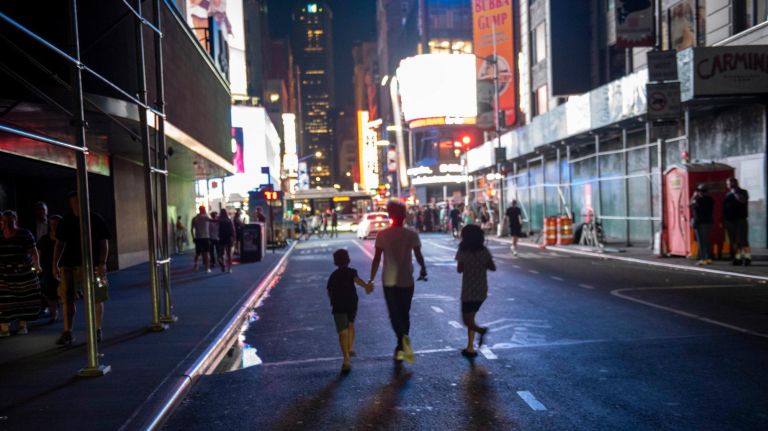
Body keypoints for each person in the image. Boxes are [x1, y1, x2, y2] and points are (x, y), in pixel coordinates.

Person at [369, 201, 427, 365]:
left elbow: (377, 258)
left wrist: (371, 278)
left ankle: (401, 342)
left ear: (389, 215)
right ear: (404, 215)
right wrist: (423, 269)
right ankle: (402, 344)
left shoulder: (382, 234)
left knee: (394, 314)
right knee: (404, 313)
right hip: (407, 279)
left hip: (389, 280)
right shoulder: (411, 234)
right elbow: (418, 255)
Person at [53, 192, 111, 345]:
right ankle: (67, 331)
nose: (78, 205)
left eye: (80, 202)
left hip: (93, 265)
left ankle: (98, 329)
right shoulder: (66, 221)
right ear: (71, 204)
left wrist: (102, 262)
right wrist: (55, 265)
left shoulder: (95, 219)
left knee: (98, 296)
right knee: (67, 299)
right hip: (69, 266)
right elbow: (58, 244)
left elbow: (104, 242)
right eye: (75, 202)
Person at [327, 249, 372, 373]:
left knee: (344, 330)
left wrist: (333, 301)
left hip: (341, 305)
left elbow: (329, 292)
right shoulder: (351, 272)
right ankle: (347, 354)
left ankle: (347, 355)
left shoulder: (333, 276)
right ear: (348, 260)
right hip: (351, 303)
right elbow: (358, 281)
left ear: (335, 262)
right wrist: (367, 286)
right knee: (349, 327)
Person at [455, 224, 495, 357]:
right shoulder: (484, 251)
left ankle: (481, 331)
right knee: (471, 318)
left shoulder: (462, 251)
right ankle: (470, 347)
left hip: (468, 291)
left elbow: (459, 269)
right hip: (481, 290)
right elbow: (492, 267)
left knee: (467, 321)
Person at [0, 210, 42, 337]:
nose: (8, 224)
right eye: (5, 221)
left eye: (10, 221)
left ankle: (23, 326)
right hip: (4, 275)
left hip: (23, 273)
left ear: (15, 220)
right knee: (4, 301)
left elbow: (34, 252)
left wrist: (37, 265)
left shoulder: (25, 234)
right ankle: (4, 328)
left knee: (24, 299)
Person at [37, 214, 61, 324]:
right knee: (48, 291)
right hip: (47, 267)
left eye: (56, 225)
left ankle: (62, 311)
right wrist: (38, 265)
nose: (54, 227)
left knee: (62, 291)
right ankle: (54, 312)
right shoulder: (44, 239)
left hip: (61, 268)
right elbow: (39, 252)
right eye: (52, 224)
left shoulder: (64, 239)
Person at [723, 177, 751, 266]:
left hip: (740, 220)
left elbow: (743, 201)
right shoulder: (727, 194)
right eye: (727, 184)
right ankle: (737, 258)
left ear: (735, 183)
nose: (729, 185)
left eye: (730, 183)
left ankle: (747, 258)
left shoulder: (743, 192)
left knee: (743, 240)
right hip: (729, 221)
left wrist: (736, 193)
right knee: (734, 241)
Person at [690, 184, 714, 266]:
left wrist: (693, 196)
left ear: (700, 192)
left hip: (700, 223)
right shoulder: (710, 199)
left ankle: (703, 259)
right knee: (706, 241)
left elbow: (689, 205)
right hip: (707, 222)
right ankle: (708, 258)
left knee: (701, 241)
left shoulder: (698, 200)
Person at [191, 206, 211, 272]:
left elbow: (192, 229)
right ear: (203, 210)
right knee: (206, 253)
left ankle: (195, 267)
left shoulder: (195, 218)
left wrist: (193, 237)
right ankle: (207, 268)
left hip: (198, 238)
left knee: (197, 253)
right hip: (205, 237)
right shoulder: (206, 217)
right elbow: (212, 223)